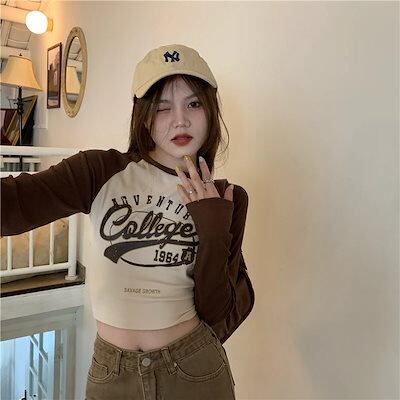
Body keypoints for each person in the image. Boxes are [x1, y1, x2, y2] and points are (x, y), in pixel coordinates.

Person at [1, 44, 251, 399]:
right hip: (111, 373)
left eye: (194, 104)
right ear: (145, 117)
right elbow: (13, 205)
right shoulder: (99, 171)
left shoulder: (227, 197)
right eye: (162, 107)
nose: (180, 120)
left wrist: (212, 229)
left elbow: (216, 313)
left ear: (210, 111)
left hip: (193, 369)